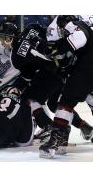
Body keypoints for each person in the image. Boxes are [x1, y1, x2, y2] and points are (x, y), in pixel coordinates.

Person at [39, 15, 93, 158]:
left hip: (87, 68)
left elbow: (80, 37)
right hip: (86, 65)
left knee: (65, 103)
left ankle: (56, 140)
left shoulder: (73, 24)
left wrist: (57, 48)